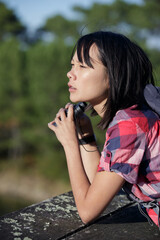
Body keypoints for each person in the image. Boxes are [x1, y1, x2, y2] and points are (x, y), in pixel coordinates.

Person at [48, 31, 160, 227]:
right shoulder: (132, 116)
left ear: (113, 75)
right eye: (72, 65)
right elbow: (98, 185)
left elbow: (87, 211)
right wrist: (85, 135)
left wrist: (69, 144)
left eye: (82, 66)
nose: (70, 73)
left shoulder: (130, 125)